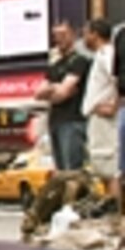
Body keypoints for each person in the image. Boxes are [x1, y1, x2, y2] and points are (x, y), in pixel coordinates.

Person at [35, 20, 91, 171]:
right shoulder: (55, 65)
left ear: (73, 35)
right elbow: (38, 93)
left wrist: (52, 90)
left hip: (73, 121)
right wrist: (55, 89)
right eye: (55, 36)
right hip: (55, 121)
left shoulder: (80, 61)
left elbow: (63, 93)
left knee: (72, 170)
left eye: (63, 34)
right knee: (61, 172)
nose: (59, 39)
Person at [80, 18, 117, 202]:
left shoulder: (107, 54)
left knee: (110, 170)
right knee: (103, 169)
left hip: (104, 119)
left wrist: (114, 106)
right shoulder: (101, 55)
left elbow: (118, 79)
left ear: (95, 34)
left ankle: (117, 215)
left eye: (85, 33)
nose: (83, 37)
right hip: (97, 117)